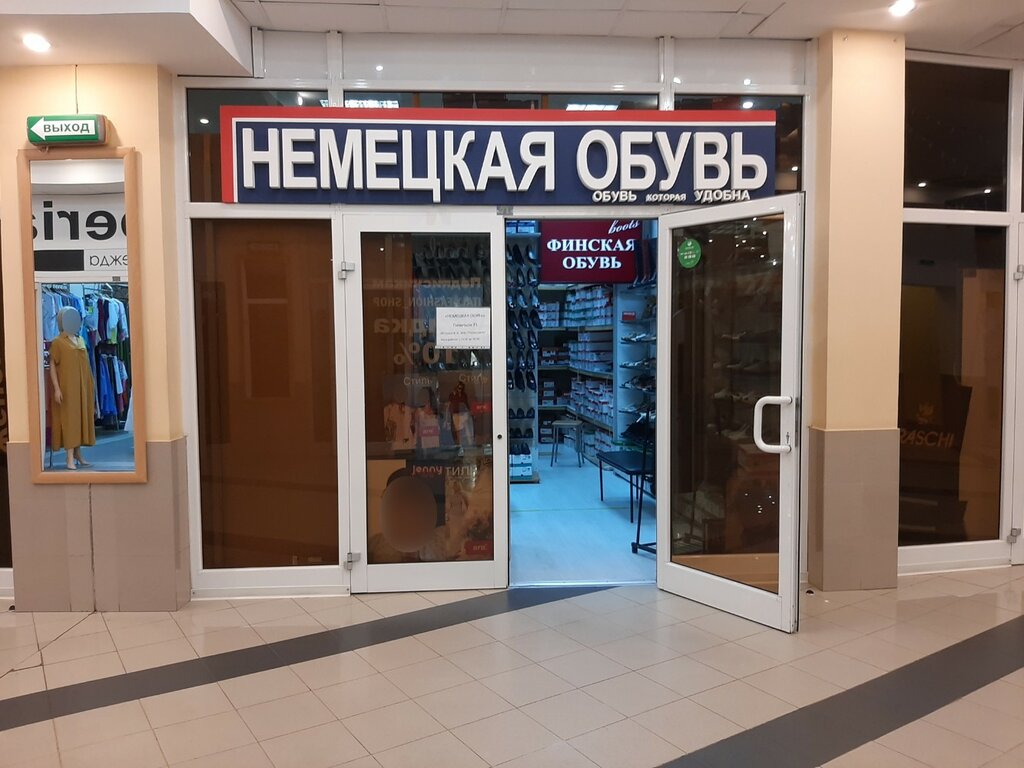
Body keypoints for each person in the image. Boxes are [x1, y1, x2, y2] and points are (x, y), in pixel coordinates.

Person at [49, 306, 96, 470]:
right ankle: (69, 457)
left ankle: (78, 454)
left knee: (80, 418)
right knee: (69, 420)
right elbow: (52, 365)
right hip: (67, 387)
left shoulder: (80, 339)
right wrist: (57, 388)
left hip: (83, 386)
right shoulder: (58, 342)